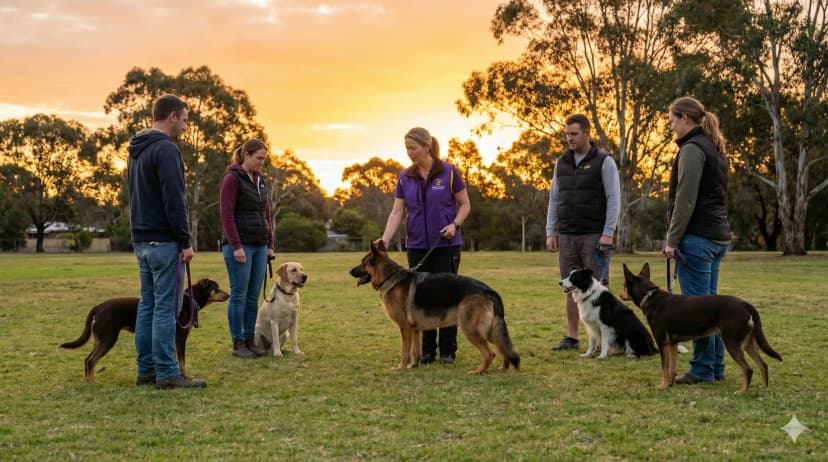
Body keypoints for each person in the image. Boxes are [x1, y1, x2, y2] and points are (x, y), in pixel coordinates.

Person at [127, 94, 206, 389]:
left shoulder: (137, 149)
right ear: (172, 116)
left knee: (147, 305)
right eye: (185, 120)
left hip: (141, 239)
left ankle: (146, 369)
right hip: (163, 240)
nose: (185, 127)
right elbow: (175, 199)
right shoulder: (166, 150)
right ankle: (167, 372)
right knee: (164, 308)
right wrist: (185, 241)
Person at [379, 127, 471, 365]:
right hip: (417, 245)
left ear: (427, 146)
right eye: (407, 148)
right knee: (422, 299)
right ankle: (426, 352)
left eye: (413, 148)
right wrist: (385, 240)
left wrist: (454, 225)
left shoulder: (449, 172)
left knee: (447, 295)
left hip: (446, 244)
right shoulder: (404, 177)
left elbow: (465, 205)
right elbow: (397, 212)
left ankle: (448, 351)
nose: (409, 153)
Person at [664, 96, 732, 385]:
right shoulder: (713, 148)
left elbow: (686, 199)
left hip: (698, 238)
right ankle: (715, 367)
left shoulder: (692, 149)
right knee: (713, 309)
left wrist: (672, 238)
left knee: (698, 310)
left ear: (685, 119)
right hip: (716, 236)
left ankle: (702, 369)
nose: (672, 128)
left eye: (672, 122)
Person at [546, 114, 621, 351]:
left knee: (600, 287)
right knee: (570, 287)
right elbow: (554, 199)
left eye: (574, 134)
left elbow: (613, 199)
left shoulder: (604, 161)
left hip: (595, 235)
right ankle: (572, 337)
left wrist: (608, 232)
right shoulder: (562, 163)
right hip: (567, 235)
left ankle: (606, 341)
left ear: (587, 133)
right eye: (567, 133)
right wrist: (551, 231)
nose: (569, 138)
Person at [220, 139, 275, 359]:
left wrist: (270, 244)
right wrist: (236, 245)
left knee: (253, 297)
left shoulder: (261, 180)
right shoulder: (231, 179)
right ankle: (237, 343)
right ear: (246, 155)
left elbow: (266, 213)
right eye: (258, 158)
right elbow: (226, 214)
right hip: (240, 247)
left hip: (260, 246)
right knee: (239, 296)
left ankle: (249, 340)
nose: (262, 162)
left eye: (264, 159)